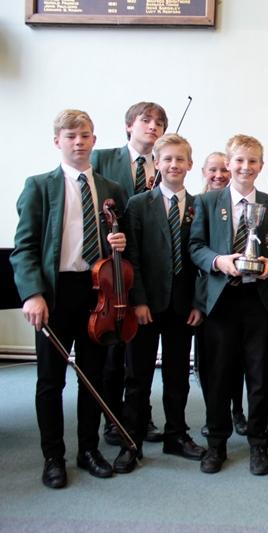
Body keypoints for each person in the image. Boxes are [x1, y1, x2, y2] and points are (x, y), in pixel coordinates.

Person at [11, 109, 128, 488]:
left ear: (95, 140)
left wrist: (119, 243)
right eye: (71, 135)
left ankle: (88, 449)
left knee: (92, 375)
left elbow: (121, 242)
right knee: (50, 380)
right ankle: (53, 456)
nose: (79, 142)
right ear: (57, 141)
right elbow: (24, 248)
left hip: (98, 294)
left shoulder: (111, 189)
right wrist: (32, 294)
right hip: (55, 293)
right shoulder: (39, 186)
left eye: (86, 135)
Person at [189, 134, 268, 475]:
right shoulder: (208, 202)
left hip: (259, 303)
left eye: (253, 161)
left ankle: (258, 444)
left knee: (261, 377)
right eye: (239, 161)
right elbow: (196, 246)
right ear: (228, 163)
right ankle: (216, 444)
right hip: (221, 303)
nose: (245, 167)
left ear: (261, 165)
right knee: (218, 376)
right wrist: (218, 262)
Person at [112, 134, 205, 473]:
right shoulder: (139, 204)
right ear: (157, 164)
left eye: (180, 160)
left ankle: (176, 435)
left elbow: (200, 261)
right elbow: (131, 256)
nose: (174, 165)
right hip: (146, 306)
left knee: (178, 375)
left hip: (183, 306)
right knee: (137, 377)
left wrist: (199, 302)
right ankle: (130, 441)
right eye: (167, 159)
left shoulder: (201, 206)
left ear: (190, 165)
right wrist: (138, 301)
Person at [91, 101, 168, 446]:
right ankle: (111, 418)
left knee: (140, 354)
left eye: (159, 123)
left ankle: (141, 413)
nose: (153, 127)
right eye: (146, 120)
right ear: (128, 125)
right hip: (110, 269)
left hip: (147, 269)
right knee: (113, 352)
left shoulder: (165, 165)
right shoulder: (103, 159)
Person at [196, 152, 248, 437]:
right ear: (203, 171)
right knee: (211, 363)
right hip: (206, 299)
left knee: (237, 360)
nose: (218, 175)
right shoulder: (201, 204)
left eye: (222, 170)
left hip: (240, 298)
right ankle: (214, 415)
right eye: (212, 170)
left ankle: (237, 410)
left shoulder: (249, 205)